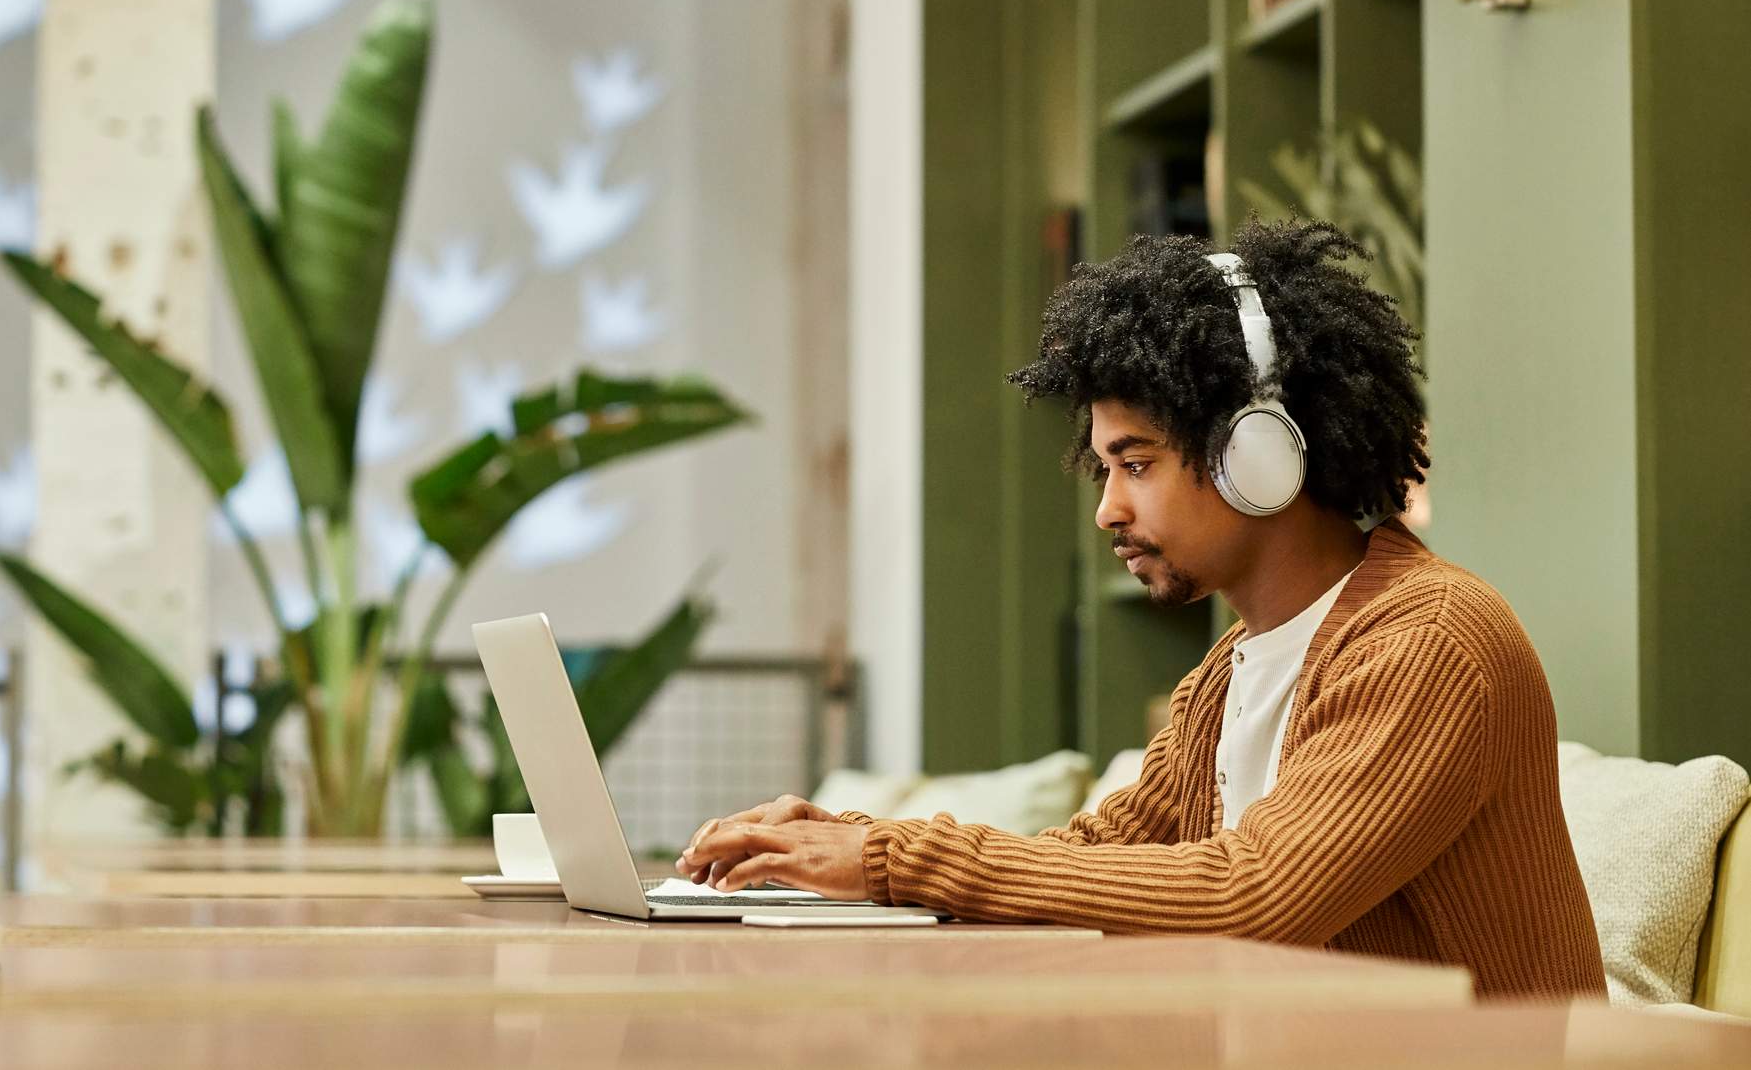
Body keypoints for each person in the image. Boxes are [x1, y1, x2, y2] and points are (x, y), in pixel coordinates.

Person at [678, 219, 1606, 1000]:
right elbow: (1101, 857)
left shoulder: (1429, 642)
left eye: (1136, 463)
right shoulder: (1232, 673)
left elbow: (1255, 894)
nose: (1107, 508)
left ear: (1260, 453)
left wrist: (891, 860)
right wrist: (852, 846)